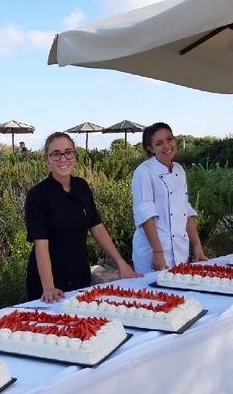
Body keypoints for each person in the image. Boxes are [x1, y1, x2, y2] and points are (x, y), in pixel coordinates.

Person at [24, 132, 140, 302]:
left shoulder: (82, 186)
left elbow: (97, 227)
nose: (63, 158)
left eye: (68, 152)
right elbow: (41, 244)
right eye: (56, 154)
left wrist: (121, 264)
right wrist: (49, 287)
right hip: (48, 280)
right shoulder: (37, 195)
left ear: (75, 155)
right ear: (46, 159)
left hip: (80, 275)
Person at [131, 122, 208, 273]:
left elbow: (185, 210)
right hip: (153, 255)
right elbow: (145, 214)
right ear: (150, 148)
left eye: (169, 139)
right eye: (159, 143)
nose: (167, 146)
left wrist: (197, 246)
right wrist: (158, 252)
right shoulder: (144, 172)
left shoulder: (179, 169)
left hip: (180, 251)